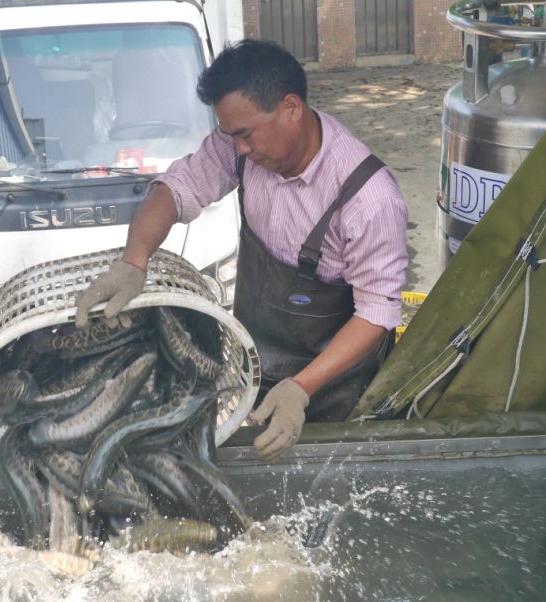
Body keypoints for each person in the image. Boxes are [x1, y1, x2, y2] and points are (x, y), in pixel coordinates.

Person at [75, 39, 408, 461]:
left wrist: (301, 388)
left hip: (337, 385)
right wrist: (134, 260)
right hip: (257, 363)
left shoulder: (369, 198)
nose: (239, 149)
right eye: (229, 135)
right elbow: (175, 190)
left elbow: (377, 313)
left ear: (291, 107)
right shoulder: (242, 151)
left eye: (245, 134)